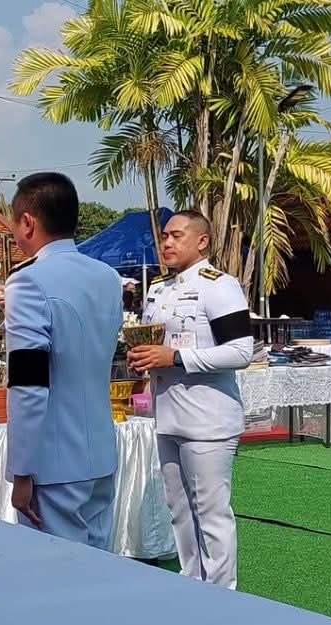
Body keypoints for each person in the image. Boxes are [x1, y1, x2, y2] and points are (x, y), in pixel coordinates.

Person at [130, 210, 252, 589]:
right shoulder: (158, 289)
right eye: (165, 236)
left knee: (211, 514)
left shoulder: (219, 286)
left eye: (177, 236)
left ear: (202, 242)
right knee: (179, 510)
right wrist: (143, 356)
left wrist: (177, 358)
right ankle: (191, 585)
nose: (167, 242)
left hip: (207, 418)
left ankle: (222, 594)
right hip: (167, 414)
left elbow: (241, 351)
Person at [0, 172, 121, 549]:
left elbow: (28, 384)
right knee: (99, 565)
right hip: (100, 452)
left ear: (28, 222)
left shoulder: (27, 281)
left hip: (53, 462)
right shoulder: (107, 276)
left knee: (55, 572)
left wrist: (21, 470)